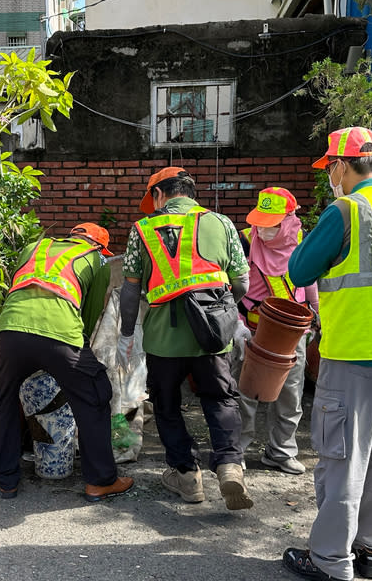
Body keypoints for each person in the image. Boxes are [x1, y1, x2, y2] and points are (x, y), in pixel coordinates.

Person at [282, 127, 372, 581]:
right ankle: (370, 552)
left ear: (342, 165)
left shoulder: (346, 210)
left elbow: (300, 267)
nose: (330, 176)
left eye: (329, 167)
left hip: (353, 355)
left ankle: (329, 561)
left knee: (343, 460)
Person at [117, 166, 253, 510]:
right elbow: (242, 283)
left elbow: (131, 291)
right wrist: (225, 314)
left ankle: (188, 476)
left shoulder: (142, 229)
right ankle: (229, 466)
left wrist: (126, 333)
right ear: (190, 192)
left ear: (158, 195)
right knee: (220, 398)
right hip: (212, 336)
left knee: (166, 406)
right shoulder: (221, 223)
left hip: (164, 340)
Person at [0, 222, 134, 502]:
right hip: (61, 335)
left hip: (9, 332)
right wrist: (76, 357)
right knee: (94, 397)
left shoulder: (35, 247)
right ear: (98, 245)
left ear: (72, 236)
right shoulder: (97, 259)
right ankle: (101, 481)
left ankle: (5, 480)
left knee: (3, 399)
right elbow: (90, 314)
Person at [233, 187, 319, 475]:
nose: (264, 230)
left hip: (291, 332)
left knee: (290, 393)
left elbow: (311, 282)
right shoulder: (244, 240)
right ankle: (237, 451)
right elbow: (229, 284)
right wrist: (235, 323)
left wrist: (316, 316)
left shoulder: (303, 242)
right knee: (243, 392)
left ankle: (281, 452)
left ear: (291, 218)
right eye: (261, 222)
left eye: (273, 224)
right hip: (250, 328)